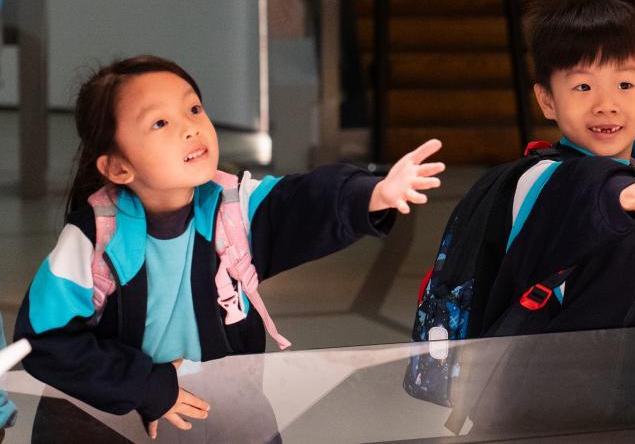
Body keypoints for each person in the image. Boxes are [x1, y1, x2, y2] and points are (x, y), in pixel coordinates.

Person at [14, 55, 445, 439]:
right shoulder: (94, 238)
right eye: (160, 123)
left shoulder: (234, 209)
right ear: (118, 167)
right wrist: (145, 386)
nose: (190, 127)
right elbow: (45, 340)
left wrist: (371, 194)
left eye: (193, 108)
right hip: (111, 422)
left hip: (220, 414)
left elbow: (301, 201)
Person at [477, 0, 635, 338]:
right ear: (547, 100)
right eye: (583, 86)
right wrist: (620, 197)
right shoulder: (539, 180)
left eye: (624, 84)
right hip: (542, 373)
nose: (606, 104)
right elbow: (584, 191)